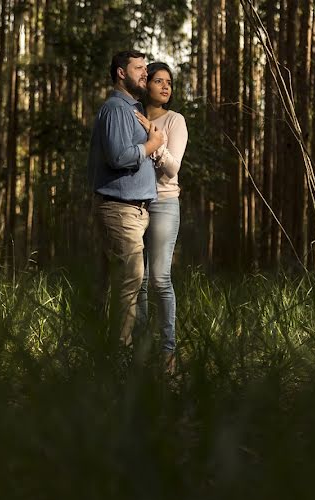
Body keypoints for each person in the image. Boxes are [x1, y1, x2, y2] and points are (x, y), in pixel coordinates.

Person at [88, 50, 165, 349]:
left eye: (146, 68)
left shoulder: (132, 108)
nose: (145, 73)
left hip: (133, 211)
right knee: (129, 285)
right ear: (121, 73)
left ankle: (106, 355)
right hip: (120, 210)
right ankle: (119, 354)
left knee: (118, 285)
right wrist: (151, 144)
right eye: (139, 68)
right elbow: (119, 156)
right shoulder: (117, 109)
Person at [135, 62, 188, 372]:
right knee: (137, 280)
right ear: (147, 85)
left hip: (165, 203)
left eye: (169, 82)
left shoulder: (175, 121)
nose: (165, 87)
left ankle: (168, 353)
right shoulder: (133, 116)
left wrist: (154, 141)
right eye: (158, 81)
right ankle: (140, 351)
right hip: (135, 204)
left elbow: (172, 168)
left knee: (159, 278)